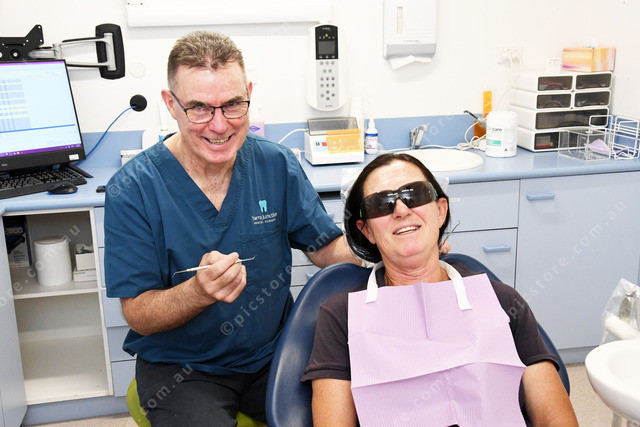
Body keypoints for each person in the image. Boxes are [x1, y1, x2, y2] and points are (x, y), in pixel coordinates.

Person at [104, 30, 357, 425]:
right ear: (170, 104)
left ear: (249, 94)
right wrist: (197, 292)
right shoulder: (134, 188)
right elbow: (138, 313)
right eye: (199, 108)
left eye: (233, 105)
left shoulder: (276, 165)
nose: (220, 125)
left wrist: (377, 246)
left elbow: (324, 247)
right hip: (183, 367)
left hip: (275, 353)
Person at [302, 153, 578, 426]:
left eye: (414, 195)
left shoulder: (502, 301)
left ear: (440, 210)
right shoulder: (341, 317)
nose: (401, 210)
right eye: (381, 203)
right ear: (367, 231)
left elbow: (554, 417)